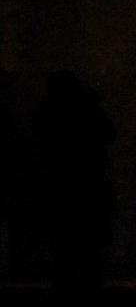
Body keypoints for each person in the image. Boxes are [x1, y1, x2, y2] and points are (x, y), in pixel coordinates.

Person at [32, 69, 116, 290]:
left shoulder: (49, 111)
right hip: (80, 186)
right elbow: (109, 133)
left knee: (69, 243)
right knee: (81, 242)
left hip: (68, 187)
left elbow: (108, 133)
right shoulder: (78, 110)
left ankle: (69, 284)